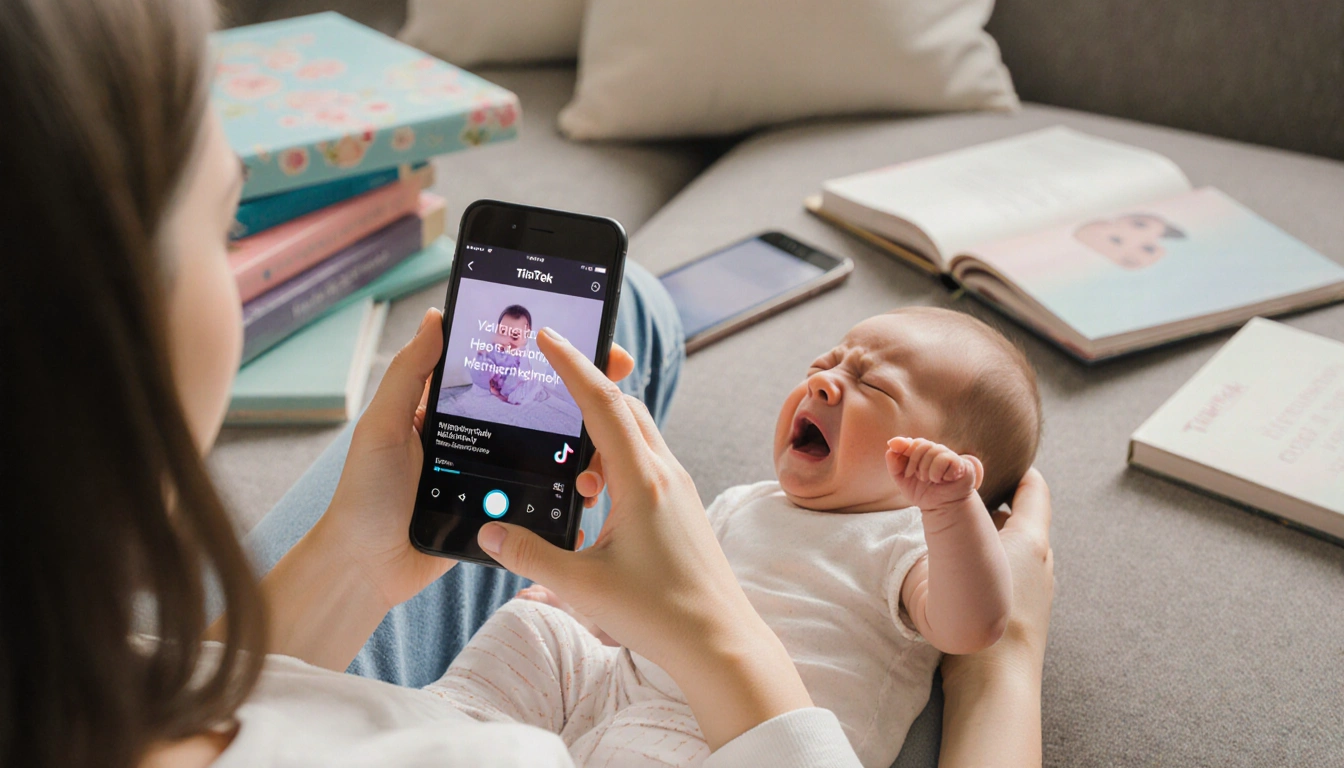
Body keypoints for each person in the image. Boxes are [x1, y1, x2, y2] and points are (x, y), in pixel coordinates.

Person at [0, 1, 1056, 767]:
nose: (828, 379)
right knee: (593, 377)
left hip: (429, 674)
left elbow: (215, 713)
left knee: (617, 311)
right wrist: (1002, 666)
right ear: (101, 323)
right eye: (228, 223)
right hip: (646, 705)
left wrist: (354, 561)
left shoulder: (84, 684)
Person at [427, 308, 1039, 768]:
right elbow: (655, 589)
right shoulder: (744, 502)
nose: (824, 384)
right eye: (825, 365)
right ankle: (449, 732)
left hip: (726, 742)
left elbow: (972, 626)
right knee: (536, 628)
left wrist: (952, 512)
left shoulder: (908, 539)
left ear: (951, 465)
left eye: (873, 385)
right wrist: (585, 612)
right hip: (617, 685)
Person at [470, 304, 538, 404]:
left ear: (527, 335)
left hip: (511, 385)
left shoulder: (523, 354)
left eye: (514, 336)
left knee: (529, 384)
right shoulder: (493, 346)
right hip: (491, 382)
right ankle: (491, 390)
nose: (506, 340)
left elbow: (524, 374)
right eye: (502, 332)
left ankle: (504, 395)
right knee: (481, 365)